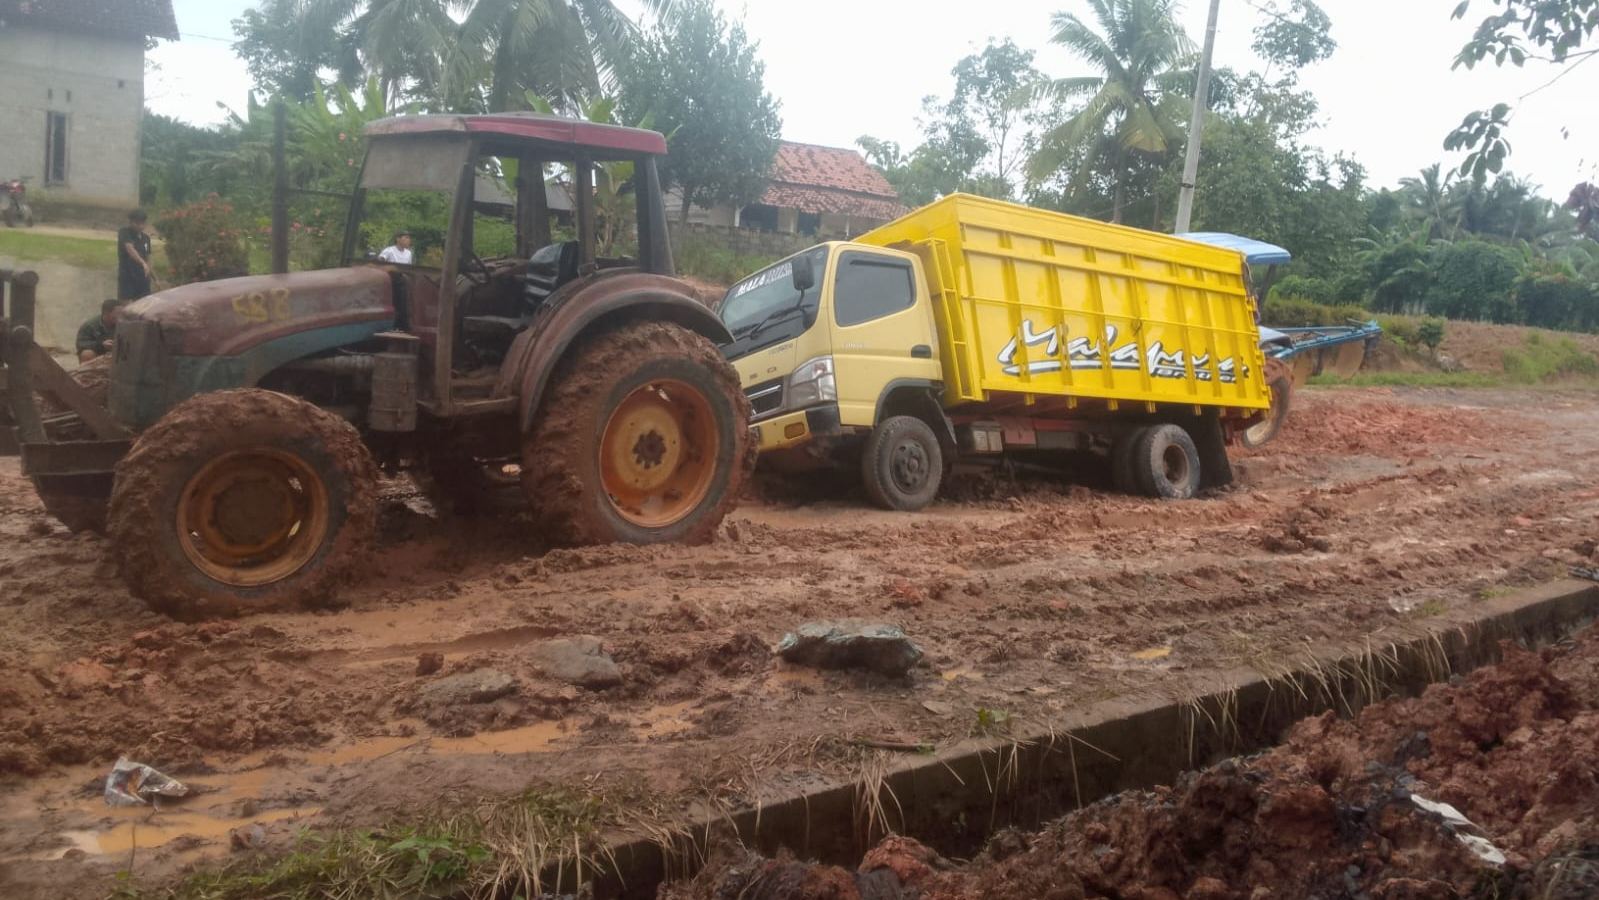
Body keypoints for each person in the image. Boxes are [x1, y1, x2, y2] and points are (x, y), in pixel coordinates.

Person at [117, 209, 153, 300]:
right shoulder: (124, 232)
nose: (140, 226)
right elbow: (130, 249)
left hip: (142, 278)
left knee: (143, 304)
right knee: (126, 305)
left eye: (142, 223)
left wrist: (152, 275)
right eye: (137, 223)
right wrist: (142, 263)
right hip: (127, 275)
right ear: (131, 222)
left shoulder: (146, 238)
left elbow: (148, 257)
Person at [77, 299, 122, 363]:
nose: (120, 316)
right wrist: (101, 345)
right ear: (106, 313)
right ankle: (90, 372)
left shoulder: (122, 325)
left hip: (114, 355)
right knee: (87, 354)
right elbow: (81, 344)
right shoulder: (90, 325)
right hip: (97, 355)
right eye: (118, 313)